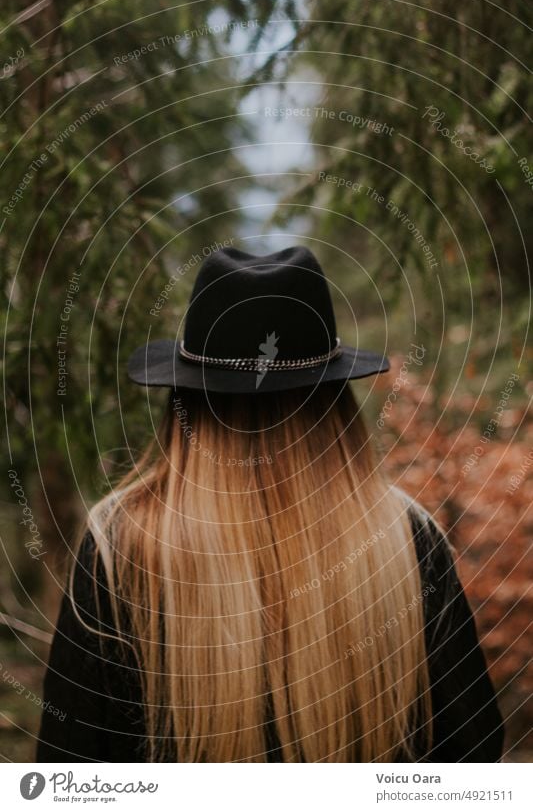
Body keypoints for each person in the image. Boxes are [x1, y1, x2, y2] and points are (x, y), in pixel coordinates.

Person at [37, 246, 504, 763]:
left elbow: (69, 767)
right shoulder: (405, 539)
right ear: (335, 405)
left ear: (185, 399)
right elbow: (473, 748)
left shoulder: (118, 545)